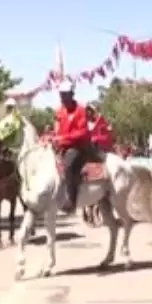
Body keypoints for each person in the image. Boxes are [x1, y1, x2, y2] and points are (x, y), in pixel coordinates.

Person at [53, 80, 92, 214]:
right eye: (61, 95)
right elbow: (57, 129)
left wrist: (64, 138)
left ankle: (71, 199)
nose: (62, 98)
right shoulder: (60, 111)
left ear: (71, 94)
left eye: (65, 95)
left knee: (68, 164)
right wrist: (52, 137)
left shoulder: (80, 110)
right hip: (62, 146)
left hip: (77, 147)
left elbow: (82, 132)